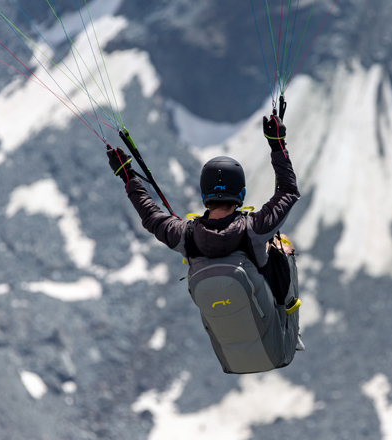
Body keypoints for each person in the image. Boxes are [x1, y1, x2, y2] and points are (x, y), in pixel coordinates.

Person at [106, 114, 303, 374]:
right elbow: (288, 191)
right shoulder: (254, 229)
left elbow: (151, 216)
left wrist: (127, 175)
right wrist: (277, 143)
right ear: (241, 195)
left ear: (204, 196)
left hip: (232, 359)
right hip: (279, 350)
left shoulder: (185, 235)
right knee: (282, 247)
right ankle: (289, 325)